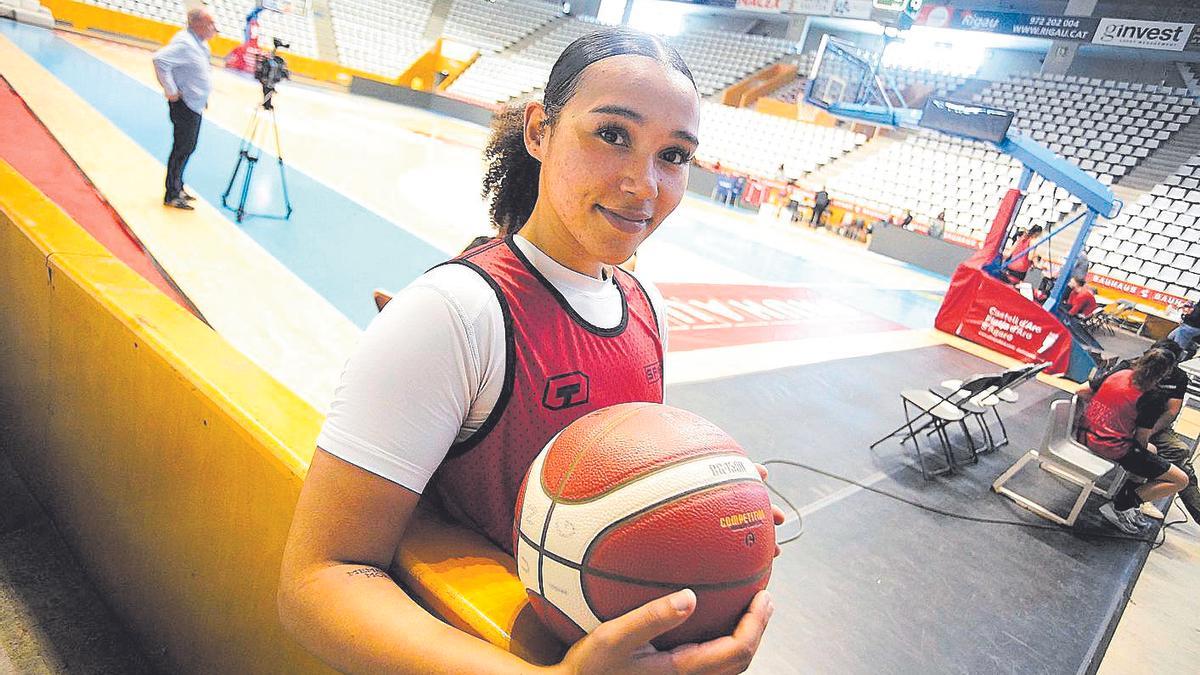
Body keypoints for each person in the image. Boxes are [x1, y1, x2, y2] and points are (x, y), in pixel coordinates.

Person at [278, 28, 780, 673]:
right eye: (613, 135)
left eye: (674, 154)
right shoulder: (454, 311)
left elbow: (601, 487)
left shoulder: (643, 303)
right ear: (539, 131)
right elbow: (318, 582)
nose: (643, 183)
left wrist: (688, 510)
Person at [1076, 347, 1189, 533]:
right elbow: (1141, 439)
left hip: (1086, 433)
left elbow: (1083, 391)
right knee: (1180, 480)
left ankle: (1127, 505)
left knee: (1151, 452)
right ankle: (1120, 505)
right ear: (1165, 373)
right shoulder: (1151, 397)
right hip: (1110, 446)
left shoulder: (1120, 373)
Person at [153, 8, 216, 210]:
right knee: (182, 148)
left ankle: (178, 186)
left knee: (188, 147)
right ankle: (171, 193)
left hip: (194, 104)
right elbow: (160, 60)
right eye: (210, 24)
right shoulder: (185, 43)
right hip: (184, 105)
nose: (214, 29)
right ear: (197, 25)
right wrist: (171, 90)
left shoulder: (200, 44)